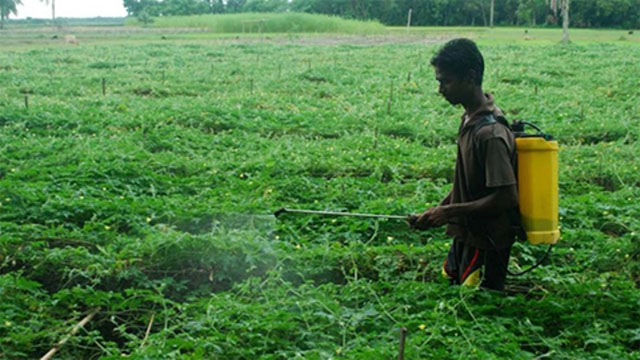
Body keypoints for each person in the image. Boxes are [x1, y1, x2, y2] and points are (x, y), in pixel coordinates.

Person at [410, 38, 519, 291]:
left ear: (469, 77)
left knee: (479, 309)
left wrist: (448, 213)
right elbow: (468, 180)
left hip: (487, 241)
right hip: (466, 233)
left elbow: (506, 198)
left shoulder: (490, 133)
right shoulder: (469, 118)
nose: (441, 90)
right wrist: (439, 209)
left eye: (445, 81)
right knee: (452, 293)